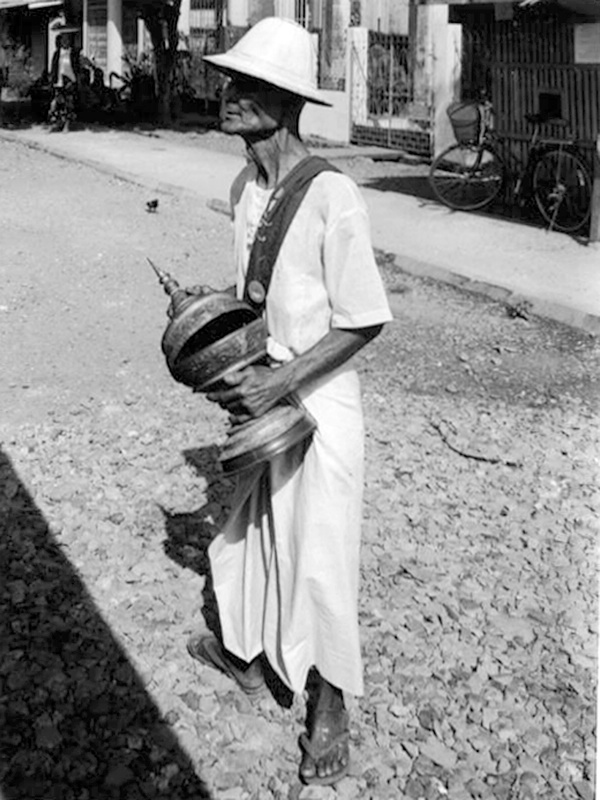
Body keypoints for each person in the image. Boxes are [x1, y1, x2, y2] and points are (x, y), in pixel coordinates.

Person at [186, 17, 393, 786]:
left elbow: (364, 319)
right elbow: (254, 299)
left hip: (322, 398)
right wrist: (225, 357)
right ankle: (245, 653)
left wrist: (285, 376)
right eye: (229, 81)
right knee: (247, 531)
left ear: (284, 101)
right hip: (264, 391)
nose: (227, 95)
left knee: (322, 552)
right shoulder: (245, 186)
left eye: (245, 86)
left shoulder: (333, 195)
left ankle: (330, 702)